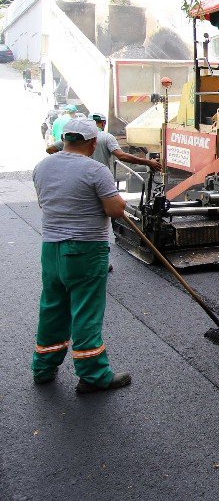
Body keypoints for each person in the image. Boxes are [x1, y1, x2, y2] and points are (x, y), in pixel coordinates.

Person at [31, 118, 131, 393]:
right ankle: (94, 376)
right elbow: (113, 210)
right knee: (85, 311)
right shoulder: (95, 170)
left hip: (51, 249)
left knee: (53, 307)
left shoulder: (41, 167)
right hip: (85, 249)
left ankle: (43, 368)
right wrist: (119, 202)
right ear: (92, 143)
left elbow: (45, 203)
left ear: (64, 140)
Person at [47, 113, 161, 175]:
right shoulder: (106, 137)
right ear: (103, 123)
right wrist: (148, 162)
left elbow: (50, 149)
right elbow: (121, 156)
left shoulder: (75, 137)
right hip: (100, 176)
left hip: (78, 175)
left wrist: (66, 160)